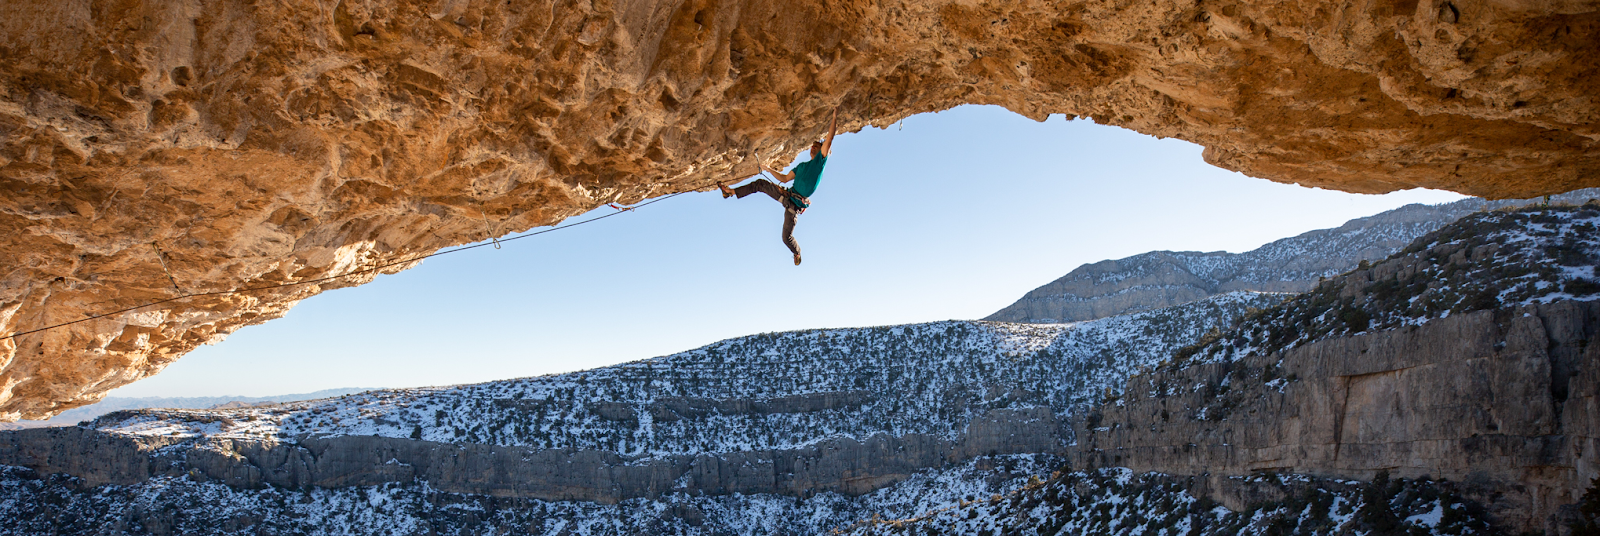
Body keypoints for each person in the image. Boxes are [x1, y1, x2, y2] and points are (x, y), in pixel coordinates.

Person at [719, 108, 838, 266]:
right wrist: (768, 168)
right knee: (760, 184)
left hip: (794, 207)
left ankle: (797, 252)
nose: (813, 147)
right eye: (812, 146)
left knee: (785, 237)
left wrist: (835, 116)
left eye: (817, 146)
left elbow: (829, 139)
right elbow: (784, 178)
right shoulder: (801, 166)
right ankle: (730, 192)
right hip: (787, 196)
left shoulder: (820, 162)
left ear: (823, 151)